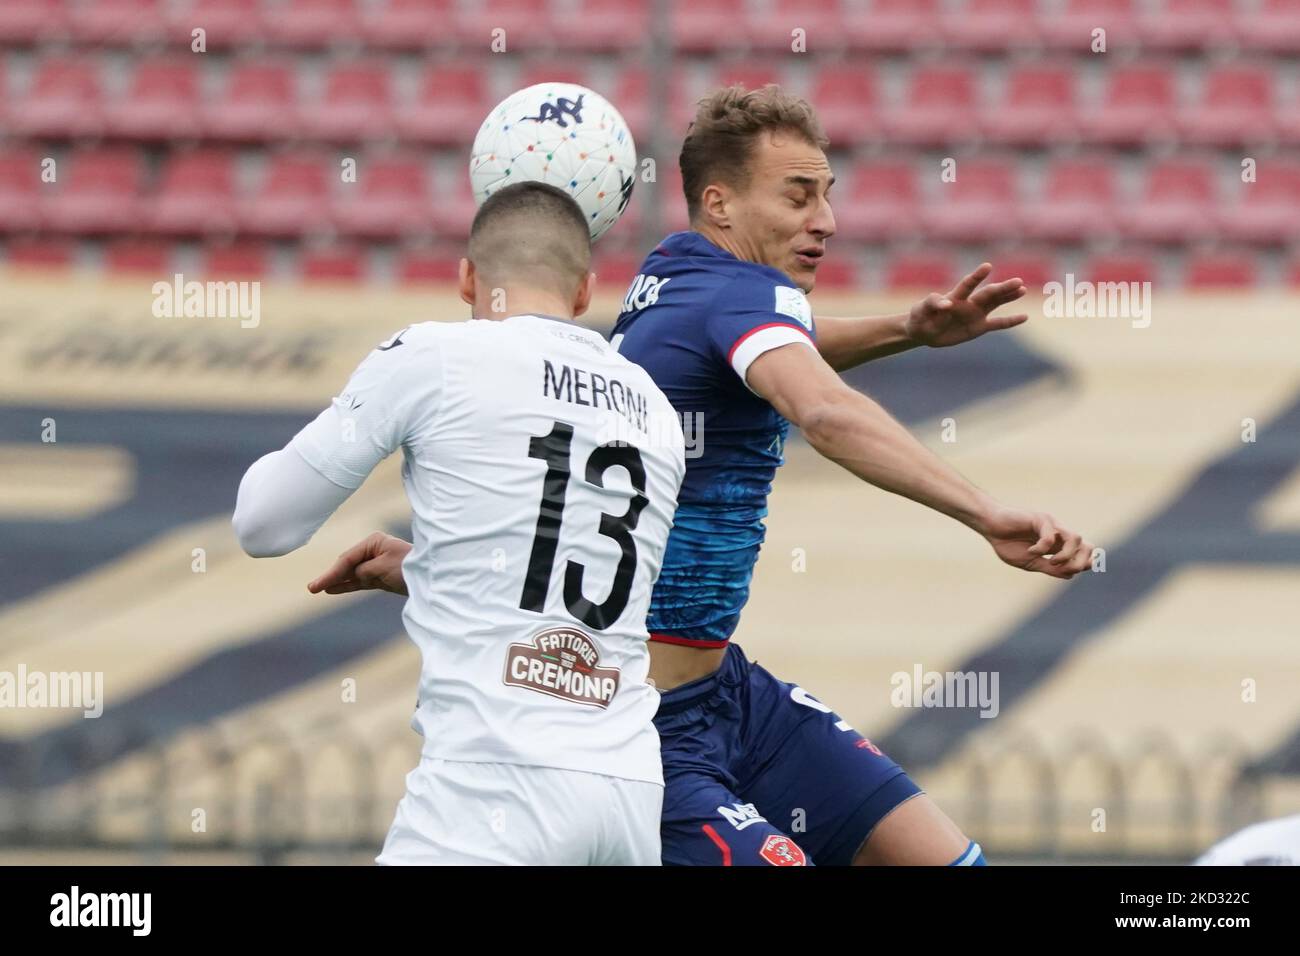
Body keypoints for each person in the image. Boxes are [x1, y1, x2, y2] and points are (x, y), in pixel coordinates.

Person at [313, 85, 1096, 866]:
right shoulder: (740, 296)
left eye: (827, 195)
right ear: (719, 203)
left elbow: (779, 347)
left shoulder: (672, 282)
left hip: (730, 695)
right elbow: (821, 410)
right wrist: (984, 512)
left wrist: (908, 330)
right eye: (797, 195)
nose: (825, 220)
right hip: (643, 725)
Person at [232, 181, 686, 865]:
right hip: (627, 793)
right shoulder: (654, 407)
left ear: (467, 279)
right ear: (586, 292)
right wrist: (429, 567)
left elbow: (264, 524)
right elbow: (571, 581)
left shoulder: (435, 358)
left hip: (493, 788)